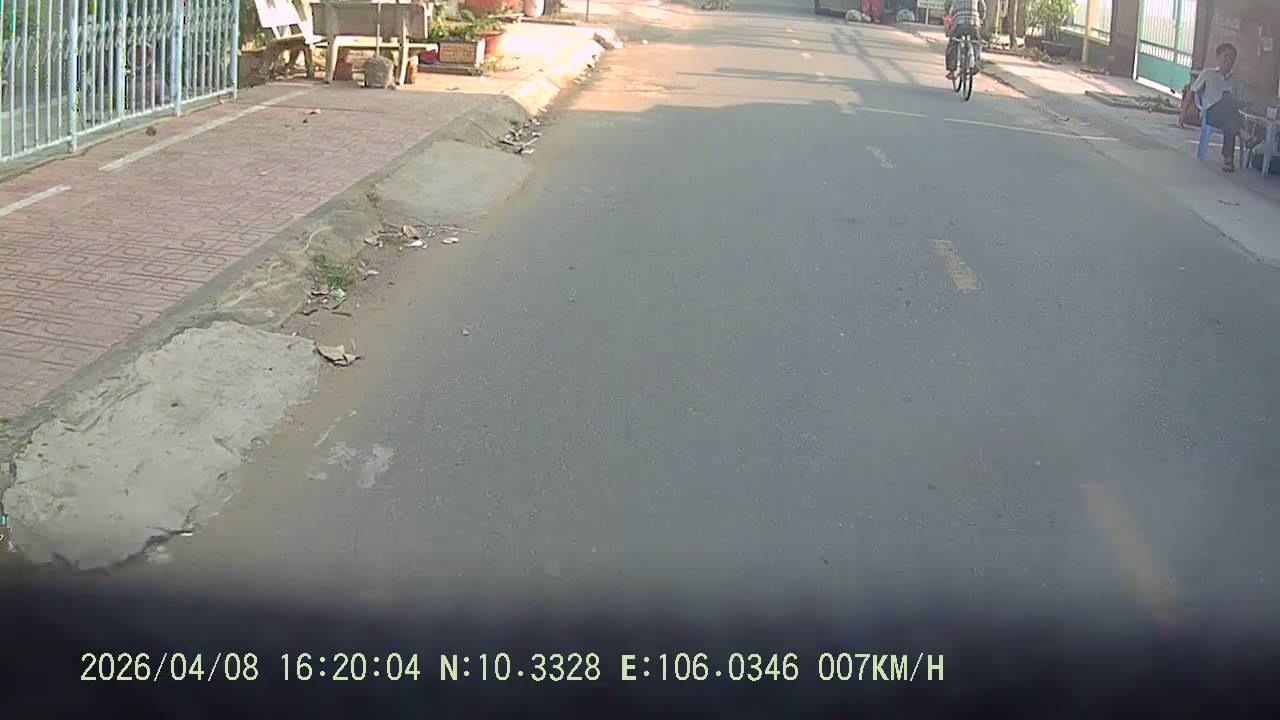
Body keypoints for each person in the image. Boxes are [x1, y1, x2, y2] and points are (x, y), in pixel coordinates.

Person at [1190, 43, 1246, 172]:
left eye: (1232, 58)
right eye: (1225, 56)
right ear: (1218, 57)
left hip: (1228, 115)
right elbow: (1192, 91)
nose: (1228, 60)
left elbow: (1239, 100)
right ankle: (1242, 133)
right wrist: (1183, 113)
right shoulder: (1208, 73)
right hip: (1211, 114)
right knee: (1226, 101)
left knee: (1230, 115)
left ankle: (1228, 160)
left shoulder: (1236, 80)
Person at [945, 0, 986, 80]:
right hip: (974, 23)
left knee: (953, 42)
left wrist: (947, 14)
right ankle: (975, 62)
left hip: (958, 23)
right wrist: (981, 18)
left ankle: (952, 70)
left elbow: (947, 4)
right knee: (976, 42)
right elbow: (983, 7)